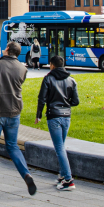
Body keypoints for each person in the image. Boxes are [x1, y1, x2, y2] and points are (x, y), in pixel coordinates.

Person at [0, 40, 35, 195]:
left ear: (8, 50)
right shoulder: (22, 68)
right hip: (14, 112)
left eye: (5, 48)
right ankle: (26, 174)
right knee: (12, 146)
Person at [36, 56, 80, 191]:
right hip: (66, 116)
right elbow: (76, 101)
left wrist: (38, 115)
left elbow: (42, 98)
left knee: (59, 148)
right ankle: (62, 175)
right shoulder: (71, 80)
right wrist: (66, 104)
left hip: (53, 116)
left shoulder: (48, 79)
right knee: (61, 145)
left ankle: (68, 179)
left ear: (52, 65)